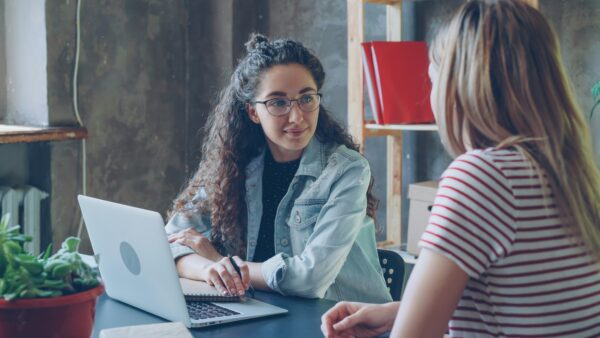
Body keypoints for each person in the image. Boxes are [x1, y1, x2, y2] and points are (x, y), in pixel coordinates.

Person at [322, 0, 600, 337]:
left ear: (458, 87)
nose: (432, 94)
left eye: (432, 79)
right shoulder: (569, 172)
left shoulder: (483, 176)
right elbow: (526, 307)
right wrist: (398, 311)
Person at [164, 34, 391, 304]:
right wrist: (209, 269)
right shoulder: (234, 163)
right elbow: (169, 243)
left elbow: (310, 279)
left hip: (344, 324)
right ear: (252, 112)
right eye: (278, 102)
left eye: (306, 99)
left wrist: (224, 263)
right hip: (265, 315)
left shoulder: (347, 171)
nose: (297, 117)